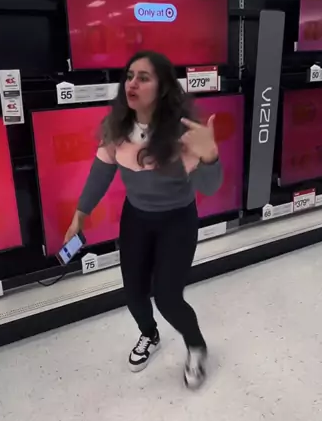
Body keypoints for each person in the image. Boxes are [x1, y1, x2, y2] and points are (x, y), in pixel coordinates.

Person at [65, 51, 222, 389]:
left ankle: (196, 346)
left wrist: (210, 155)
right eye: (129, 76)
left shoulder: (183, 133)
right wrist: (81, 214)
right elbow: (101, 172)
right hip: (136, 219)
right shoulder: (117, 127)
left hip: (177, 221)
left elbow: (211, 187)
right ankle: (149, 334)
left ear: (163, 88)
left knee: (167, 297)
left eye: (143, 78)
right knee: (134, 294)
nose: (132, 84)